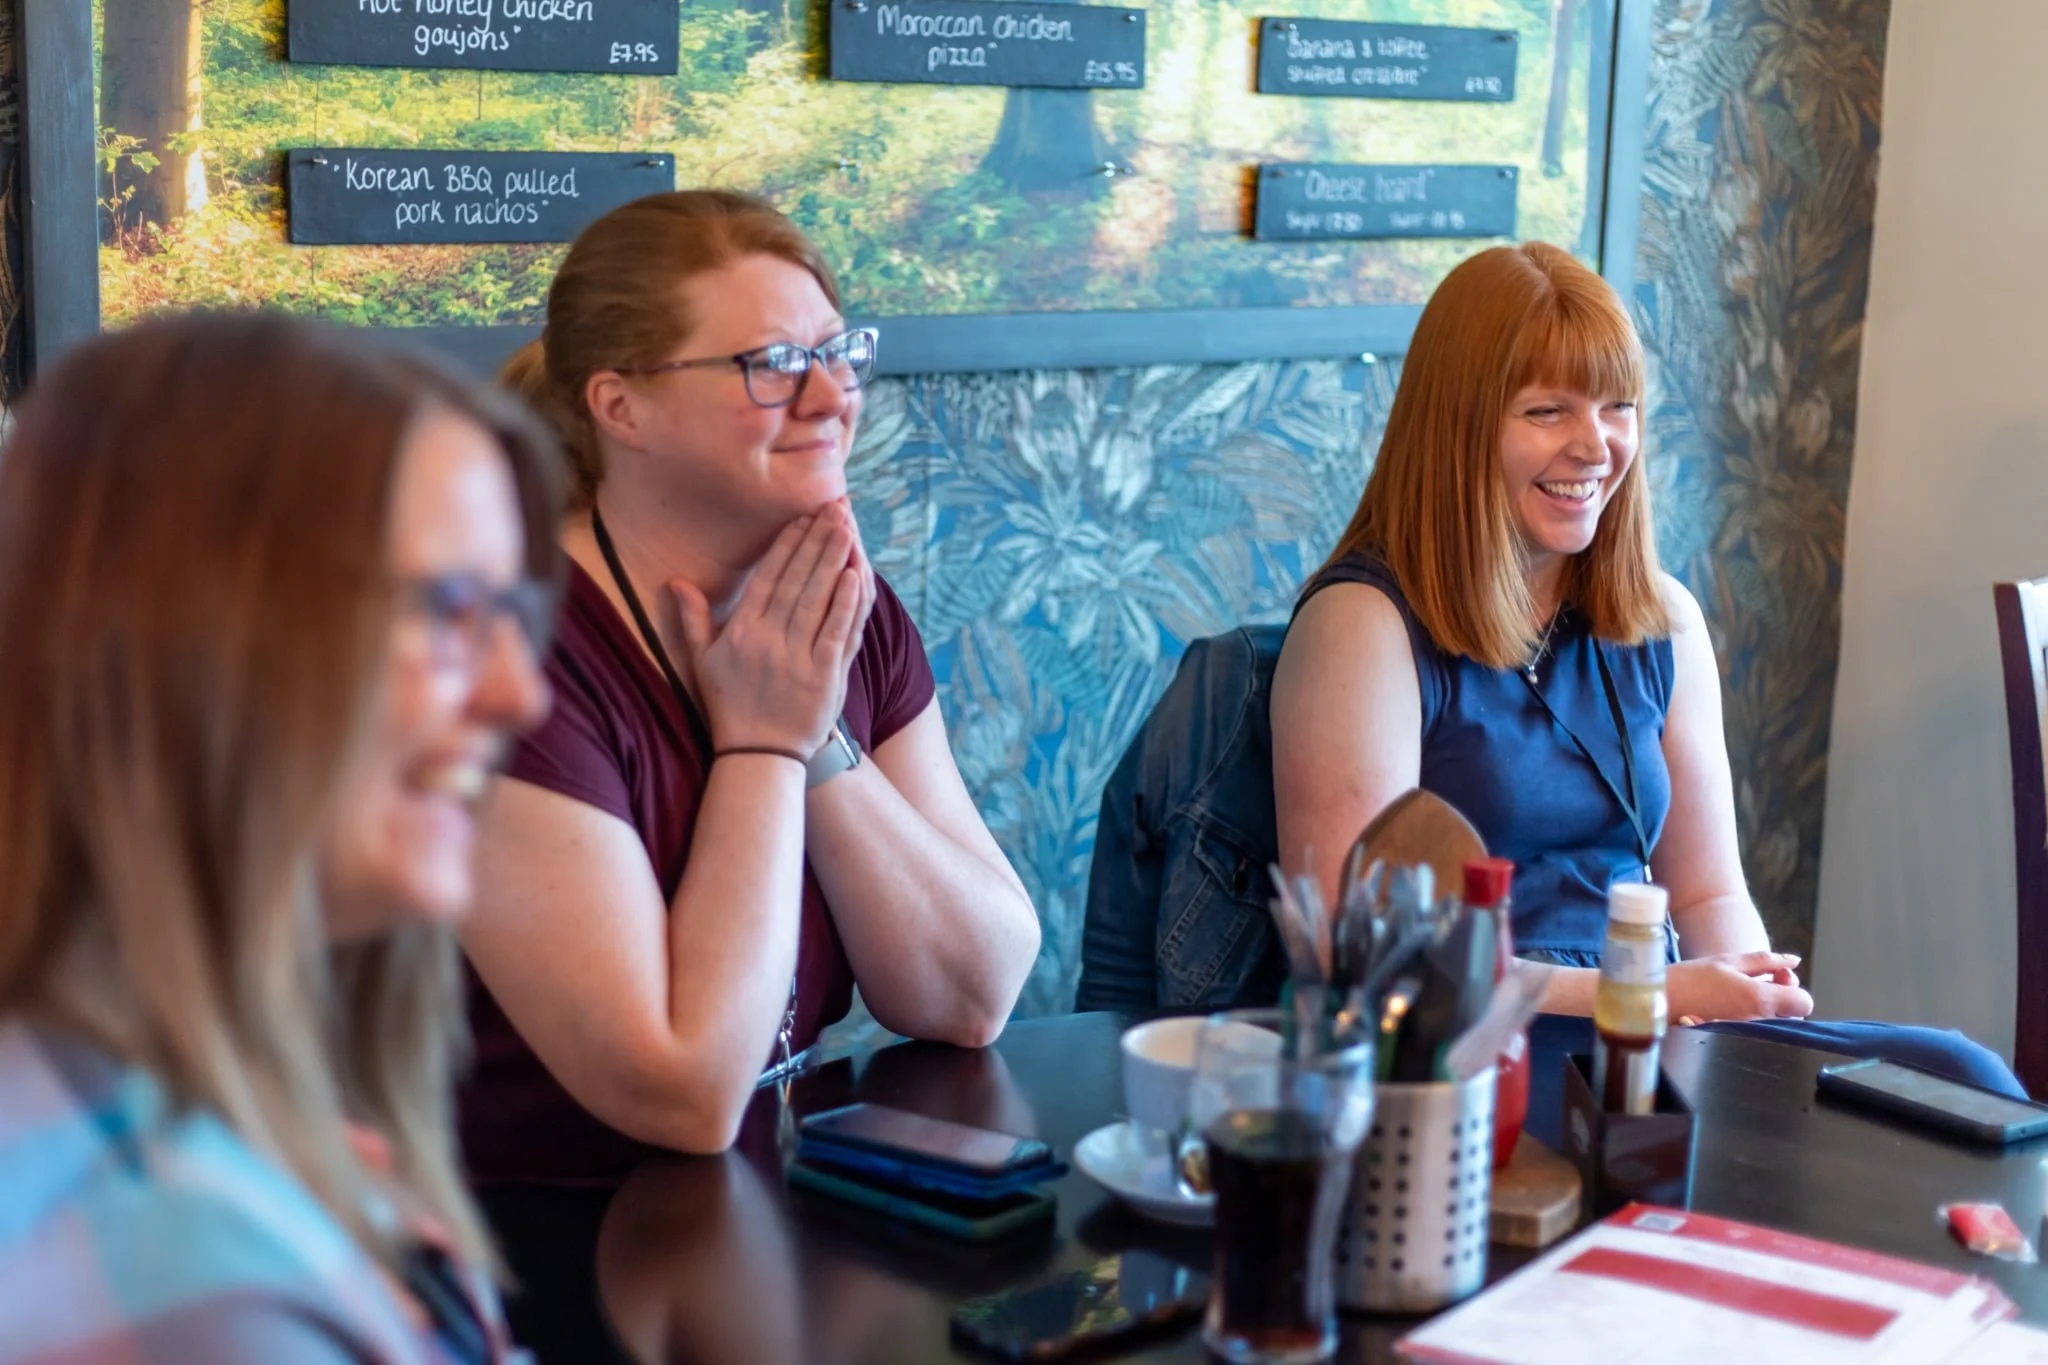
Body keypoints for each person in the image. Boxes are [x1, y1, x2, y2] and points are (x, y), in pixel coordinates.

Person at [1269, 242, 2017, 1090]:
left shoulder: (1664, 621)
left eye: (1616, 406)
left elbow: (1705, 896)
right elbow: (1359, 953)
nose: (1596, 446)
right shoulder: (1360, 625)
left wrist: (1750, 1004)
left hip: (1665, 1025)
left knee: (1967, 1074)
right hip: (1476, 1054)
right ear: (1459, 427)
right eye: (1548, 411)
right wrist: (1648, 992)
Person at [0, 314, 565, 1360]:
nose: (519, 693)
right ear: (187, 646)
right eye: (447, 608)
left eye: (512, 613)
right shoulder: (201, 1295)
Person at [464, 189, 1040, 1178]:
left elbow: (969, 993)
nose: (828, 397)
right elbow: (681, 1094)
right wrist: (761, 747)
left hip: (773, 1205)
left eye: (835, 351)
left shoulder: (834, 610)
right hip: (544, 1247)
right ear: (621, 406)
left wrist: (813, 740)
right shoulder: (505, 657)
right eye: (770, 365)